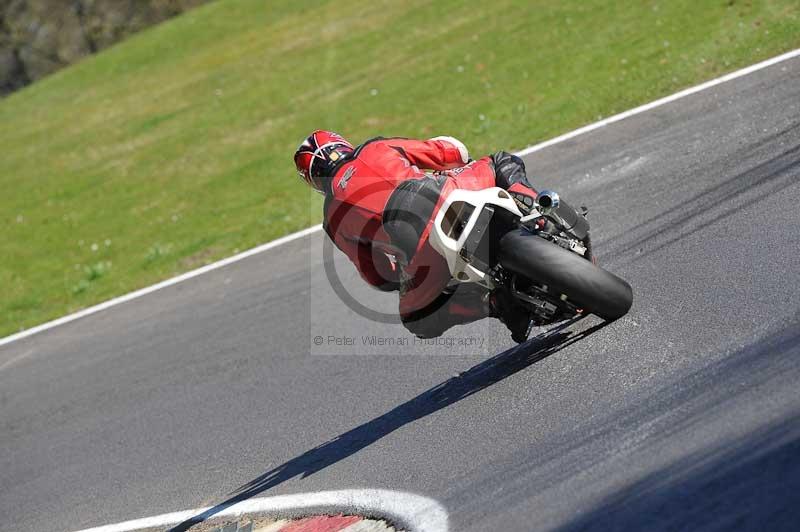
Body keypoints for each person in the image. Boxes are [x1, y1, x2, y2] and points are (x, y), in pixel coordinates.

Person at [294, 130, 539, 342]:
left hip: (422, 253)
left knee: (416, 319)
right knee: (500, 161)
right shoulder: (376, 147)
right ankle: (537, 211)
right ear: (342, 144)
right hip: (449, 193)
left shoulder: (332, 219)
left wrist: (402, 274)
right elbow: (450, 152)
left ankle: (495, 304)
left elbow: (377, 275)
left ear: (314, 180)